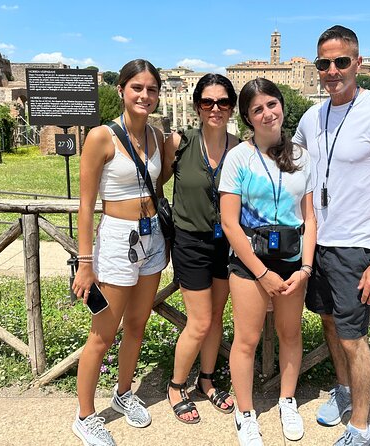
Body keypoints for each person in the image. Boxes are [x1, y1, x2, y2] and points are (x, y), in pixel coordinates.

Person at [292, 25, 370, 446]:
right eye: (324, 63)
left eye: (341, 61)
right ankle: (343, 391)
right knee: (328, 321)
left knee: (353, 336)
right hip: (317, 243)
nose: (332, 70)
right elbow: (289, 163)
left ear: (358, 64)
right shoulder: (311, 117)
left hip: (357, 246)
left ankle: (361, 426)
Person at [71, 59, 168, 446]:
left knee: (138, 326)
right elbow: (85, 203)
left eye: (152, 89)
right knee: (102, 334)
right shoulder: (100, 137)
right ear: (122, 90)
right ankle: (85, 415)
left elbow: (158, 184)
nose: (145, 95)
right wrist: (84, 262)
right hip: (115, 240)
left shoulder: (160, 137)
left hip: (152, 239)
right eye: (137, 88)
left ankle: (124, 392)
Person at [219, 78, 316, 446]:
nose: (267, 113)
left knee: (291, 334)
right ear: (247, 116)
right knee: (246, 340)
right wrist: (262, 274)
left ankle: (286, 401)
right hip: (249, 263)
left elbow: (310, 217)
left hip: (293, 262)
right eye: (257, 109)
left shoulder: (302, 156)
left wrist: (306, 268)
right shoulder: (239, 157)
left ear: (282, 106)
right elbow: (229, 221)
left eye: (271, 104)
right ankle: (245, 414)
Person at [161, 73, 239, 423]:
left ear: (232, 108)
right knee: (200, 319)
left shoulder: (239, 148)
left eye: (223, 102)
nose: (215, 108)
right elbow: (153, 181)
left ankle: (206, 380)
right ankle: (177, 385)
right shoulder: (180, 142)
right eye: (208, 102)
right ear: (197, 107)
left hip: (226, 243)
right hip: (190, 241)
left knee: (216, 318)